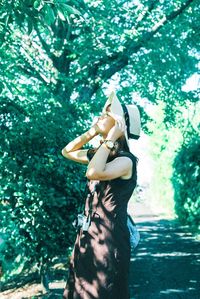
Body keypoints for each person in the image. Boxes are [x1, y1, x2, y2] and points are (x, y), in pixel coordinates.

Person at [61, 91, 141, 299]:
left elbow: (93, 172)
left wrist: (111, 138)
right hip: (87, 238)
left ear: (118, 124)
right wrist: (93, 131)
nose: (99, 116)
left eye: (106, 114)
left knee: (103, 293)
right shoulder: (102, 156)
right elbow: (67, 151)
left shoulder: (126, 161)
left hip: (108, 243)